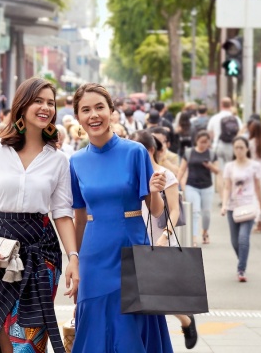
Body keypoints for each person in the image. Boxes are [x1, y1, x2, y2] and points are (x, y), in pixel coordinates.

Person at [0, 78, 78, 353]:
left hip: (41, 253)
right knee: (1, 327)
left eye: (50, 103)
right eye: (38, 101)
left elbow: (62, 214)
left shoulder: (58, 159)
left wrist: (74, 258)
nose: (45, 108)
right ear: (22, 105)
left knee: (31, 335)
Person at [70, 83, 170, 353]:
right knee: (93, 327)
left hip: (131, 248)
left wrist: (155, 190)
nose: (94, 115)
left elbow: (157, 211)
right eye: (86, 110)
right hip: (94, 254)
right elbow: (78, 219)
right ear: (78, 117)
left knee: (130, 331)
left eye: (100, 107)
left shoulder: (135, 152)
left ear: (111, 111)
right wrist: (74, 261)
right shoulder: (75, 161)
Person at [130, 130, 198, 349]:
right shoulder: (130, 174)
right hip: (134, 236)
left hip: (159, 237)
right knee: (143, 294)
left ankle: (186, 320)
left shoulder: (165, 174)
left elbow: (175, 210)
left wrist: (166, 235)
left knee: (156, 293)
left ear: (150, 150)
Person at [222, 137, 261, 282]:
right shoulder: (229, 166)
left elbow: (258, 186)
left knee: (243, 237)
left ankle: (241, 269)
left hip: (249, 206)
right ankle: (242, 259)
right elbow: (227, 187)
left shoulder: (254, 166)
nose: (239, 150)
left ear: (247, 148)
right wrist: (224, 205)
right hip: (233, 207)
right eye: (236, 147)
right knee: (235, 241)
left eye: (241, 147)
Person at [178, 130, 220, 245]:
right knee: (195, 212)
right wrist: (177, 182)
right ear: (197, 141)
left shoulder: (211, 154)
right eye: (201, 142)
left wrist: (210, 166)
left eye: (206, 142)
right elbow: (182, 168)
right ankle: (193, 237)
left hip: (207, 186)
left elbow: (217, 171)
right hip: (191, 185)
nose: (204, 144)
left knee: (206, 213)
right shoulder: (189, 152)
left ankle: (205, 232)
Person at [207, 98, 242, 199]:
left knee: (219, 172)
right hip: (232, 147)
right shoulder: (235, 118)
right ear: (230, 105)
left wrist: (212, 142)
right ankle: (231, 195)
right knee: (231, 171)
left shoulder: (215, 118)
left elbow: (210, 133)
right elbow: (240, 133)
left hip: (218, 146)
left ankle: (223, 199)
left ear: (221, 105)